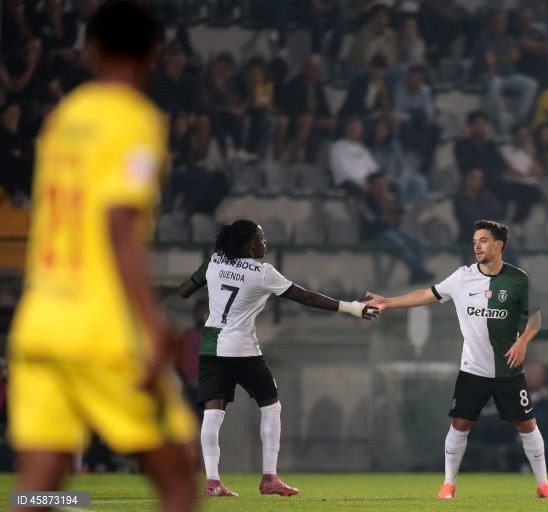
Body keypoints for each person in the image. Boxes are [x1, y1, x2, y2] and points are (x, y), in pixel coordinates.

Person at [7, 3, 198, 512]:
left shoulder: (64, 119)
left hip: (41, 321)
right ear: (155, 53)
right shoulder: (134, 119)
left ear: (91, 50)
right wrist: (152, 322)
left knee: (39, 485)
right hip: (102, 326)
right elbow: (117, 223)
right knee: (179, 478)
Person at [177, 220, 378, 497]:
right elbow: (306, 297)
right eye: (261, 239)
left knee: (213, 413)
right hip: (242, 349)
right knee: (270, 406)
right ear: (250, 244)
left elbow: (184, 290)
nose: (265, 244)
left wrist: (208, 279)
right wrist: (352, 308)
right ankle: (269, 478)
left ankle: (212, 482)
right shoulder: (262, 273)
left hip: (211, 349)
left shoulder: (214, 262)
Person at [363, 220, 548, 500]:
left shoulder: (518, 279)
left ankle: (543, 485)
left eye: (483, 240)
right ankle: (448, 485)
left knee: (527, 425)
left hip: (508, 370)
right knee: (460, 425)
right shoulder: (461, 277)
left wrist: (522, 341)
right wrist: (388, 302)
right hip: (473, 369)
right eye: (474, 241)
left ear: (498, 245)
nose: (477, 246)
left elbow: (536, 319)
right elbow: (425, 295)